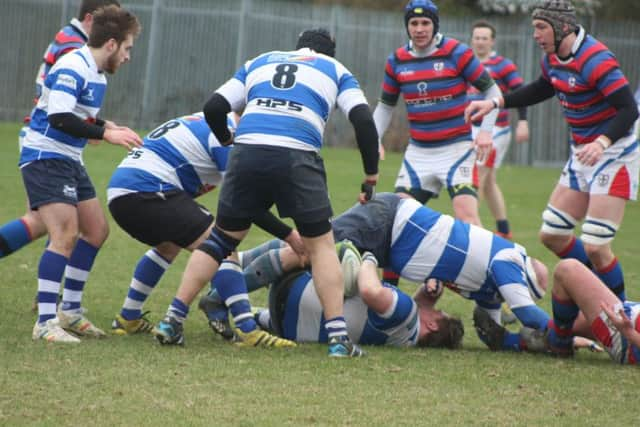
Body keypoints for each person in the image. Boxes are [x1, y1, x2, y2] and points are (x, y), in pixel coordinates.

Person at [151, 28, 380, 358]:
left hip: (247, 152)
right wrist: (371, 173)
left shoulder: (259, 61)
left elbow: (214, 107)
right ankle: (339, 340)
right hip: (297, 154)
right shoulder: (335, 69)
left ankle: (172, 319)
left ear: (297, 47)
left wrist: (229, 141)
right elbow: (362, 119)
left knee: (220, 240)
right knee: (320, 246)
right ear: (329, 53)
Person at [466, 0, 639, 302]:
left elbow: (628, 109)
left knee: (596, 245)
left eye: (541, 27)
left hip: (615, 153)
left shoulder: (594, 58)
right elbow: (541, 88)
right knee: (552, 234)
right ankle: (596, 287)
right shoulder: (553, 58)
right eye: (535, 27)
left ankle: (622, 314)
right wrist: (495, 102)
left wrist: (602, 143)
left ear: (561, 27)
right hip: (582, 153)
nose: (535, 34)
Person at [107, 112, 296, 348]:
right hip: (148, 187)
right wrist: (290, 234)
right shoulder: (226, 135)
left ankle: (129, 317)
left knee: (168, 246)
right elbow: (243, 201)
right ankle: (247, 329)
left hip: (121, 191)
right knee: (223, 245)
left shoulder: (215, 122)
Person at [21, 5, 142, 343]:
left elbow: (73, 114)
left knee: (96, 231)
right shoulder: (74, 66)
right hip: (46, 156)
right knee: (64, 233)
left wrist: (105, 125)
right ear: (113, 44)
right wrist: (104, 134)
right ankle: (45, 322)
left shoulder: (97, 73)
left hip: (69, 159)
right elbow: (59, 117)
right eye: (129, 48)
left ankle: (70, 312)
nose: (129, 57)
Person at [1, 0, 121, 261]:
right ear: (90, 19)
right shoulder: (74, 49)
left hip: (48, 134)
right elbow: (62, 107)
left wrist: (97, 124)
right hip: (49, 138)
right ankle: (50, 292)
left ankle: (49, 290)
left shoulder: (70, 37)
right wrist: (97, 129)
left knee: (46, 222)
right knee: (57, 224)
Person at [372, 0, 501, 227]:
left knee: (467, 218)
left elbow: (492, 90)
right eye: (413, 23)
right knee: (399, 221)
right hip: (418, 154)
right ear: (407, 26)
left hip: (457, 150)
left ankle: (491, 262)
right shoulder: (397, 61)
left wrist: (485, 132)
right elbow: (385, 106)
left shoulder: (457, 52)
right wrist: (373, 139)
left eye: (425, 23)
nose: (419, 29)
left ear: (435, 25)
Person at [254, 252, 464, 349]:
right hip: (283, 326)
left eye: (438, 312)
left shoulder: (407, 311)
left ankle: (227, 275)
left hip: (291, 289)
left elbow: (370, 291)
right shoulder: (404, 341)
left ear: (433, 324)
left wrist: (370, 259)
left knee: (315, 245)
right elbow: (396, 312)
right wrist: (427, 295)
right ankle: (256, 316)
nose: (435, 307)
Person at [468, 20, 529, 239]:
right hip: (471, 130)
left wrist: (523, 121)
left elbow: (520, 92)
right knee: (489, 180)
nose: (480, 42)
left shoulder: (503, 65)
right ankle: (503, 229)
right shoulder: (466, 64)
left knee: (477, 178)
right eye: (477, 37)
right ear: (472, 39)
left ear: (492, 41)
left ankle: (471, 229)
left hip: (496, 131)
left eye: (485, 38)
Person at [544, 259, 639, 364]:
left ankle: (560, 345)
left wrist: (630, 334)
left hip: (629, 338)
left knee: (567, 269)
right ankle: (553, 339)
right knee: (559, 327)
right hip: (632, 315)